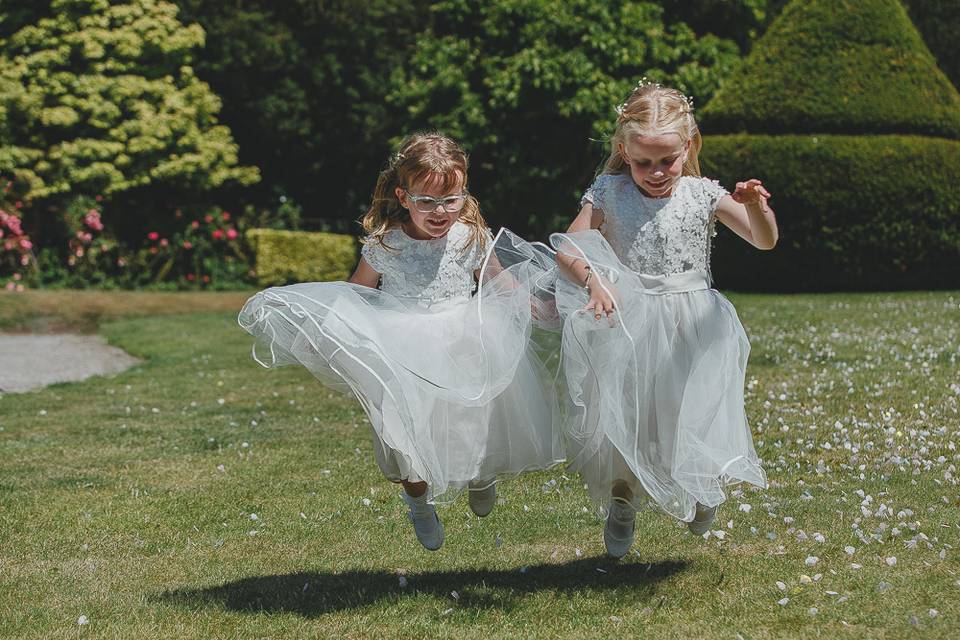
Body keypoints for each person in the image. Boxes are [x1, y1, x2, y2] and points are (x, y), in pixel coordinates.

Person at [239, 132, 562, 551]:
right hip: (404, 346)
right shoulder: (386, 245)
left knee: (478, 420)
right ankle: (419, 501)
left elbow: (498, 281)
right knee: (408, 432)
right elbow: (356, 293)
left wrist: (536, 307)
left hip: (464, 338)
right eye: (426, 201)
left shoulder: (470, 237)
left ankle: (483, 474)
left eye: (452, 199)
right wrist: (323, 336)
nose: (440, 211)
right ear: (403, 196)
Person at [552, 81, 776, 558]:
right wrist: (594, 280)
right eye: (643, 162)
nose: (656, 172)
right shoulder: (608, 192)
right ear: (623, 150)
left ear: (688, 145)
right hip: (631, 319)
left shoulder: (701, 194)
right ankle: (622, 500)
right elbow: (567, 247)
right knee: (629, 418)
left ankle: (700, 486)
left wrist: (757, 208)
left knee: (689, 412)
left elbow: (764, 242)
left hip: (693, 322)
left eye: (667, 160)